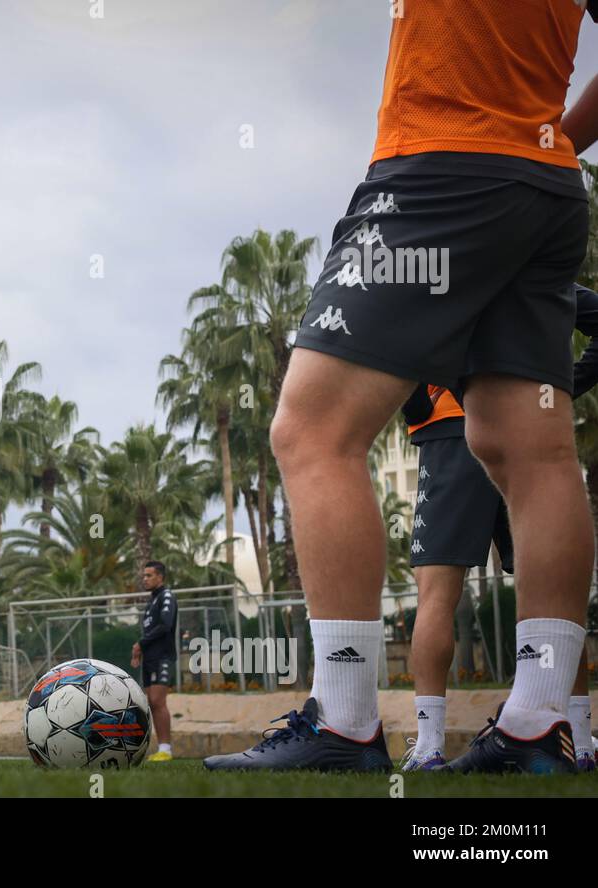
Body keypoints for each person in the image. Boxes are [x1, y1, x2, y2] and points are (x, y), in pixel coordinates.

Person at [206, 2, 598, 773]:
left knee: (312, 429)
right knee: (531, 451)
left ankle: (344, 722)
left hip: (441, 170)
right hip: (545, 187)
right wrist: (549, 140)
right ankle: (537, 724)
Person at [398, 284, 598, 773]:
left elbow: (392, 347)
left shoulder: (441, 270)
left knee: (436, 595)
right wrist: (562, 384)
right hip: (526, 426)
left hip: (452, 437)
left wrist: (422, 402)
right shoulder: (530, 268)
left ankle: (427, 747)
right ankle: (580, 742)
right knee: (553, 593)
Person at [131, 561, 177, 762]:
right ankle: (160, 749)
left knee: (158, 701)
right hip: (150, 659)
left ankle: (166, 750)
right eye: (144, 576)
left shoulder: (166, 596)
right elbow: (150, 630)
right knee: (151, 703)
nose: (145, 579)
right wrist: (141, 650)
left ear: (160, 577)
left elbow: (165, 626)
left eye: (149, 575)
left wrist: (140, 643)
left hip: (162, 658)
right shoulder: (151, 602)